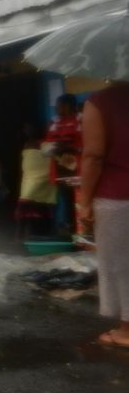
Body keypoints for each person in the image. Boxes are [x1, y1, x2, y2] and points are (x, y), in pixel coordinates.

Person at [77, 81, 129, 348]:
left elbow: (94, 155)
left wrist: (84, 201)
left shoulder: (100, 102)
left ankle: (127, 331)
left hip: (118, 196)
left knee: (121, 264)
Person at [44, 93, 82, 235]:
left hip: (78, 170)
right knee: (64, 202)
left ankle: (81, 233)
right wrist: (51, 147)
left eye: (58, 105)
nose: (56, 108)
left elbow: (86, 145)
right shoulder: (54, 124)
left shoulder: (80, 121)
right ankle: (66, 232)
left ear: (67, 106)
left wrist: (69, 147)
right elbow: (46, 145)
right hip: (60, 171)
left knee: (79, 201)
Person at [15, 125, 57, 239]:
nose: (27, 132)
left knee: (25, 205)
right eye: (26, 131)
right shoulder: (26, 144)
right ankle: (25, 235)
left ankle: (23, 235)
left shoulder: (43, 144)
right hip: (28, 178)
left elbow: (52, 155)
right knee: (28, 207)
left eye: (29, 130)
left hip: (40, 178)